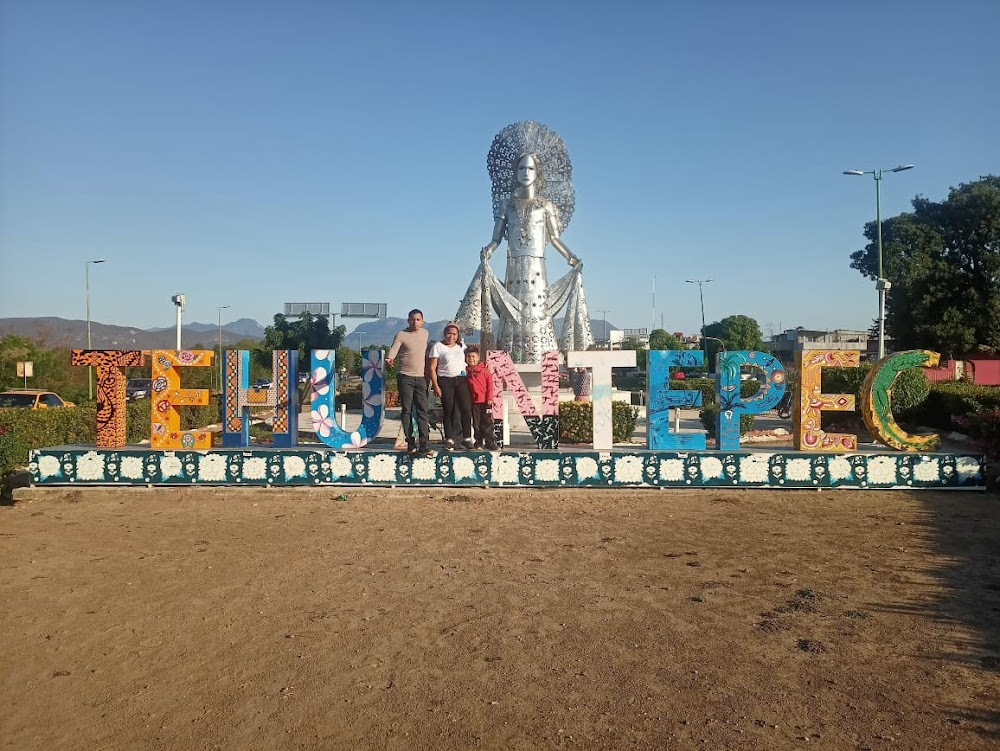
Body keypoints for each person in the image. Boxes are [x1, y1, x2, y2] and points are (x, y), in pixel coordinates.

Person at [455, 121, 595, 364]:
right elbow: (497, 238)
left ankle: (544, 359)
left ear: (537, 172)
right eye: (521, 168)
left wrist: (571, 258)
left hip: (538, 267)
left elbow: (555, 239)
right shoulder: (506, 204)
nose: (526, 173)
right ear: (515, 172)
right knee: (514, 314)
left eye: (530, 168)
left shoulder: (546, 205)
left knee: (538, 311)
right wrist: (488, 249)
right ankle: (511, 359)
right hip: (514, 267)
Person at [386, 309, 434, 456]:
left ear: (422, 321)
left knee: (423, 411)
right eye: (412, 319)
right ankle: (410, 442)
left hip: (421, 378)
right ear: (408, 320)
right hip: (405, 377)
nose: (415, 322)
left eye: (418, 319)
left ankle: (424, 444)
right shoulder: (401, 334)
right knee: (407, 410)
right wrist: (390, 358)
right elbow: (394, 348)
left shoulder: (425, 333)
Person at [428, 322, 471, 450]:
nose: (451, 336)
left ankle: (467, 438)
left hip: (461, 380)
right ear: (444, 334)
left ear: (458, 335)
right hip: (445, 380)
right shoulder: (438, 346)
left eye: (454, 334)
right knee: (449, 410)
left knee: (466, 409)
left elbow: (469, 360)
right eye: (449, 333)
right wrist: (435, 385)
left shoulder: (462, 346)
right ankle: (450, 439)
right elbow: (432, 368)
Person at [464, 345, 497, 450]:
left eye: (473, 356)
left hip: (485, 401)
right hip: (473, 402)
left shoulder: (484, 370)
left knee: (487, 422)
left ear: (478, 358)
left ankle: (490, 442)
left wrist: (489, 398)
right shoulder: (465, 371)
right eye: (469, 357)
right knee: (476, 424)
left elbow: (490, 385)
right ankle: (478, 442)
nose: (471, 359)